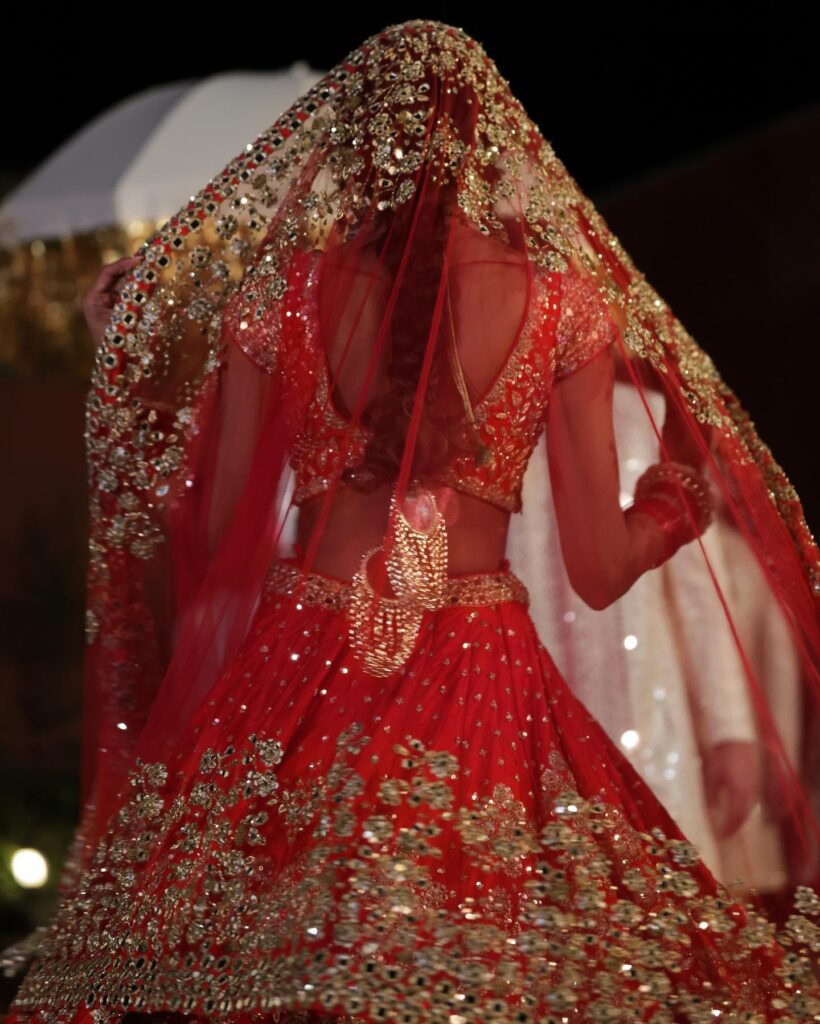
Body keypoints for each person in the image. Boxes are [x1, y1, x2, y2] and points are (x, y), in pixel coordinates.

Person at [5, 18, 820, 1024]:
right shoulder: (562, 309)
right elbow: (600, 569)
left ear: (350, 151)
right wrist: (675, 503)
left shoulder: (279, 297)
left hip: (300, 677)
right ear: (490, 149)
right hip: (481, 682)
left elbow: (216, 542)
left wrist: (128, 375)